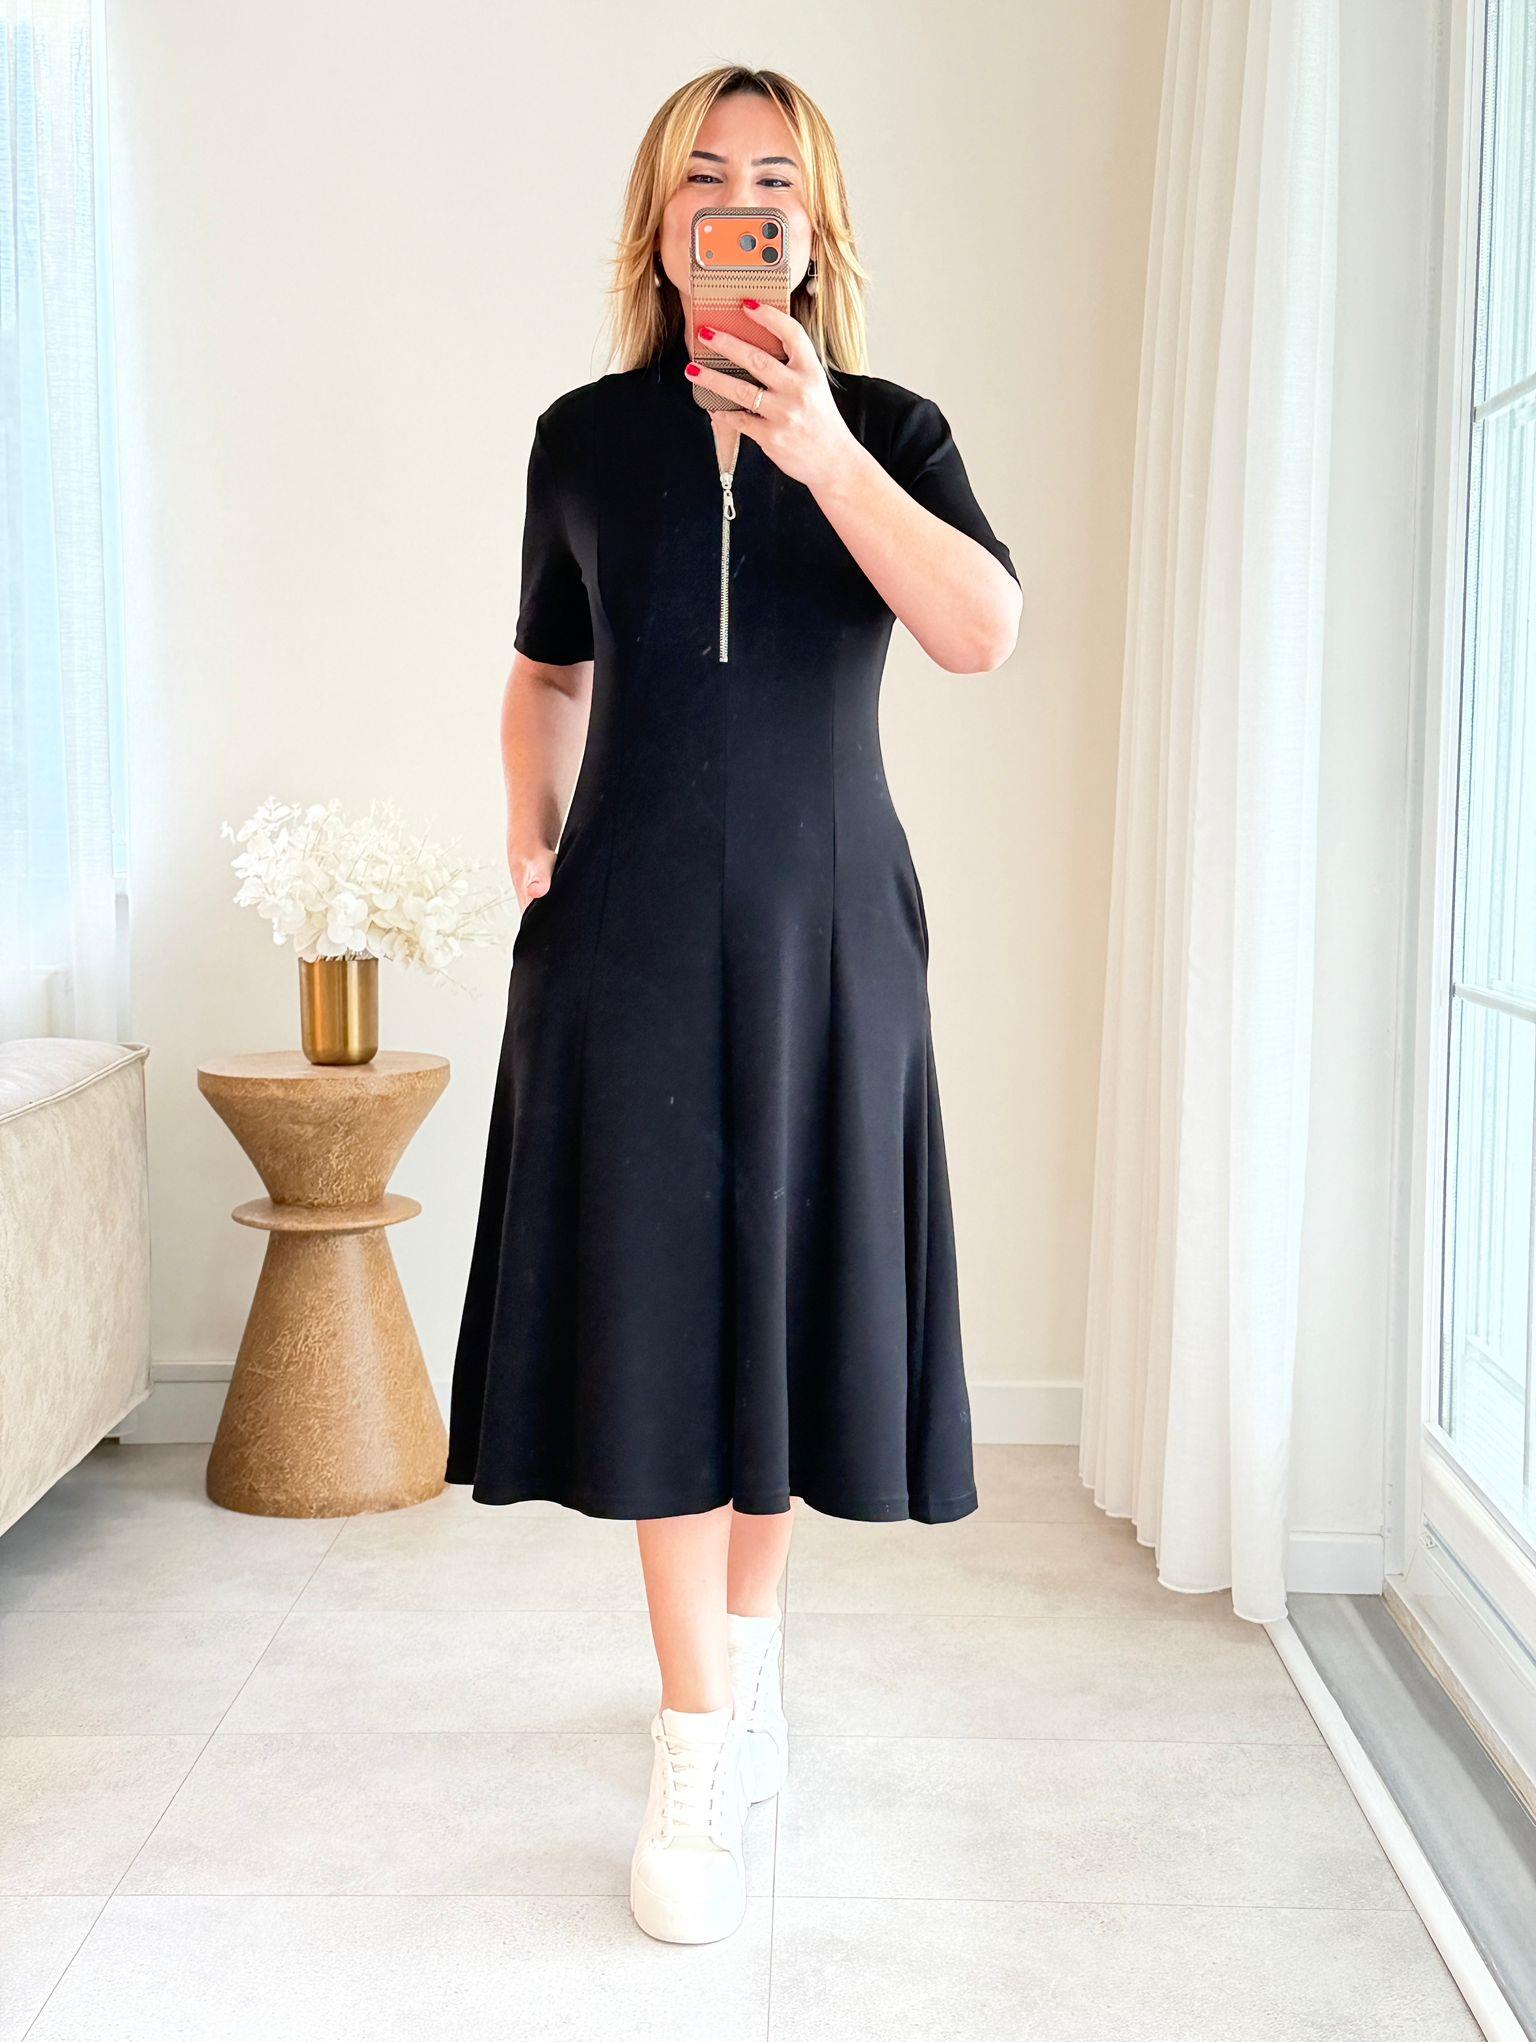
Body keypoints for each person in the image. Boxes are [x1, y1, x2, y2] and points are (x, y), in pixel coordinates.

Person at [445, 63, 1021, 1946]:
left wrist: (823, 447)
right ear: (663, 222)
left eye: (775, 180)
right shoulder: (582, 439)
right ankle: (696, 1734)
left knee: (775, 1313)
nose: (739, 204)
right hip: (620, 943)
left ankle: (745, 1664)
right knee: (659, 1323)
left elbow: (981, 632)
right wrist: (530, 824)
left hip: (831, 940)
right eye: (705, 177)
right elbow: (547, 669)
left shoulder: (896, 429)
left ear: (813, 227)